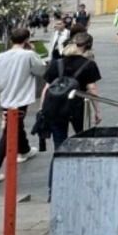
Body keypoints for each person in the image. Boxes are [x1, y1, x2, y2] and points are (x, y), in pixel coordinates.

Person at [0, 28, 45, 182]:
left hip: (5, 98)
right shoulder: (28, 55)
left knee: (15, 126)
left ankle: (24, 149)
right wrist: (34, 52)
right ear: (27, 40)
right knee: (10, 131)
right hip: (21, 98)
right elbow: (41, 70)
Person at [40, 32, 102, 198]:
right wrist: (97, 111)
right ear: (88, 46)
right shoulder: (89, 64)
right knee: (82, 144)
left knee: (59, 146)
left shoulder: (57, 63)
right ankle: (80, 184)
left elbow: (46, 88)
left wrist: (42, 110)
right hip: (77, 108)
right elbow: (92, 89)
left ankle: (54, 189)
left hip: (55, 109)